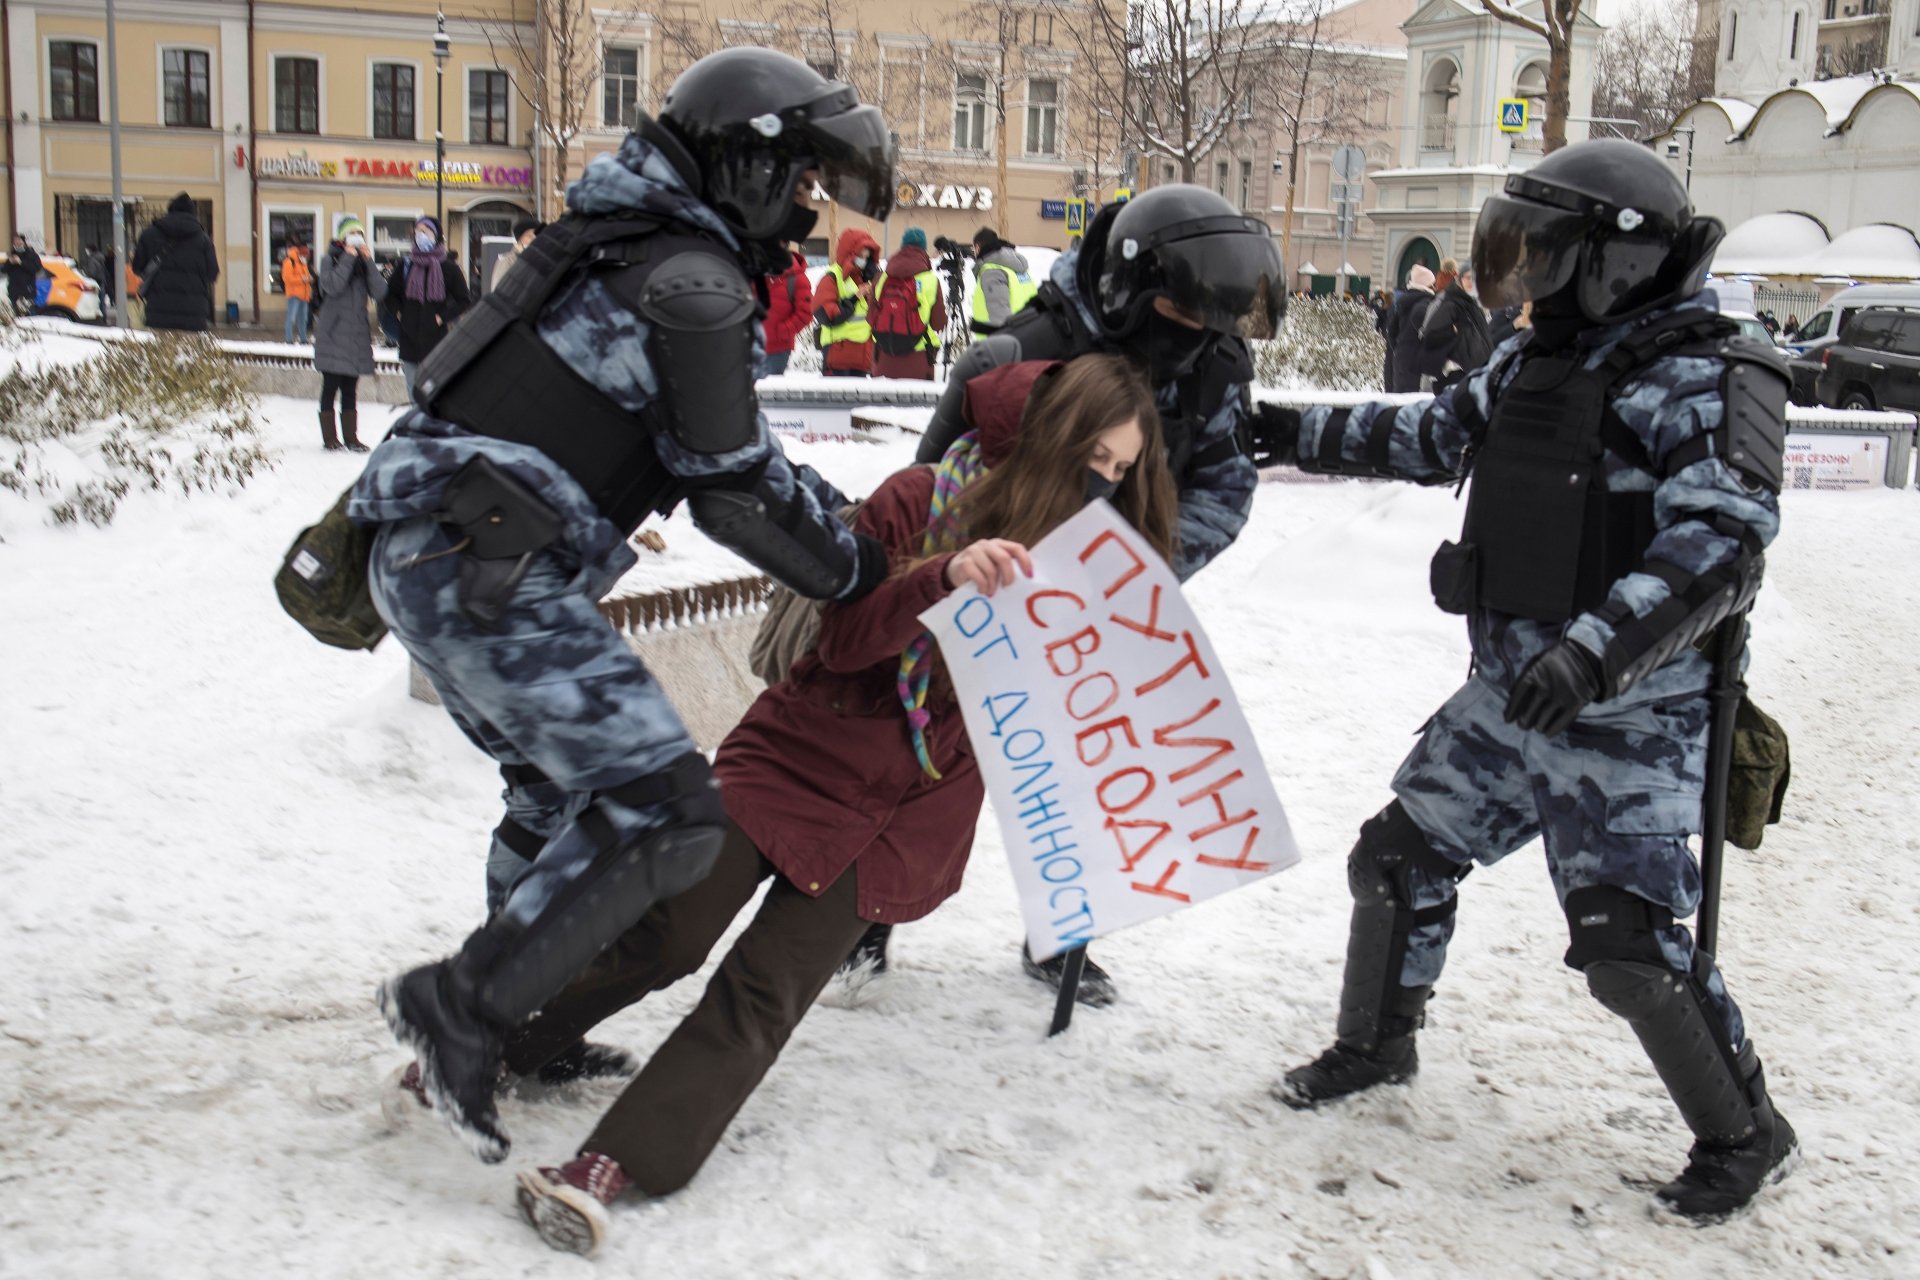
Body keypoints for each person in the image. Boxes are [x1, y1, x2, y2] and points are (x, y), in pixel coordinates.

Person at [509, 353, 1178, 1255]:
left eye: (1120, 470)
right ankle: (497, 1045)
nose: (1101, 483)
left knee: (764, 993)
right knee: (667, 932)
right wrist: (940, 580)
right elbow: (846, 635)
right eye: (1092, 455)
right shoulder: (923, 499)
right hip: (799, 756)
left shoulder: (1089, 571)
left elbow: (1084, 715)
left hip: (907, 816)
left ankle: (612, 1165)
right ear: (1050, 433)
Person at [358, 46, 897, 1165]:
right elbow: (734, 495)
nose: (806, 214)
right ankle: (459, 1005)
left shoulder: (615, 241)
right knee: (668, 809)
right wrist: (860, 574)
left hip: (435, 556)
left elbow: (724, 454)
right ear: (749, 165)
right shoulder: (692, 280)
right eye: (802, 185)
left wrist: (840, 514)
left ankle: (506, 1021)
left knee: (553, 796)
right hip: (490, 576)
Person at [1249, 139, 1796, 1222]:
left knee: (1626, 947)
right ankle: (1376, 1045)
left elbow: (1722, 544)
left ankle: (1746, 1132)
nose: (1531, 276)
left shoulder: (1713, 370)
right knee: (1397, 860)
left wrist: (1593, 649)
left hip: (1626, 715)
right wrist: (1280, 428)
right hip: (1507, 694)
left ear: (1620, 261)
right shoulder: (1537, 357)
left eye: (1550, 255)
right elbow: (1425, 432)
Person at [847, 183, 1284, 1004]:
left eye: (1213, 326)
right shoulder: (1023, 352)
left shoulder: (1215, 366)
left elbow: (1226, 487)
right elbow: (931, 486)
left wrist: (1131, 578)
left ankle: (1064, 934)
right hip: (987, 596)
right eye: (1186, 321)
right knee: (922, 757)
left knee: (1091, 773)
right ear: (1135, 292)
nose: (1198, 344)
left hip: (1111, 607)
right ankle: (862, 923)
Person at [312, 218, 386, 452]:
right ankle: (330, 438)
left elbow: (380, 291)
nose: (356, 237)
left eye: (359, 233)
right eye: (352, 233)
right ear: (343, 238)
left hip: (355, 336)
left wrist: (369, 261)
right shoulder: (329, 259)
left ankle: (351, 437)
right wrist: (348, 257)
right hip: (333, 334)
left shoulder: (363, 265)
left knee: (350, 389)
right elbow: (331, 286)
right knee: (331, 386)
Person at [382, 215, 471, 398]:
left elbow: (464, 300)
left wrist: (441, 317)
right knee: (413, 393)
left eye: (425, 231)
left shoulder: (449, 267)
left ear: (436, 236)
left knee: (434, 395)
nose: (420, 235)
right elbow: (390, 295)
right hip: (409, 339)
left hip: (436, 341)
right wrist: (399, 313)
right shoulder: (406, 265)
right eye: (417, 232)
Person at [132, 193, 220, 333]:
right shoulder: (204, 240)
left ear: (170, 210)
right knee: (188, 355)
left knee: (160, 354)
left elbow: (137, 268)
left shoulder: (149, 234)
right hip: (193, 315)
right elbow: (212, 274)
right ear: (192, 213)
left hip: (159, 312)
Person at [870, 226, 946, 380]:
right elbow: (938, 324)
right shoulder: (931, 280)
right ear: (924, 250)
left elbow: (870, 317)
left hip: (884, 358)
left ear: (902, 247)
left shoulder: (881, 278)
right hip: (919, 359)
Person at [812, 226, 879, 376]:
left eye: (867, 256)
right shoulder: (832, 277)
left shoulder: (868, 278)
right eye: (861, 255)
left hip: (862, 356)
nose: (864, 260)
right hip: (838, 355)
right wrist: (855, 297)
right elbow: (826, 315)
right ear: (850, 254)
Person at [1415, 265, 1492, 389]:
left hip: (1475, 373)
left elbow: (1484, 339)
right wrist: (1451, 332)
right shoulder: (1450, 304)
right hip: (1455, 374)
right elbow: (1429, 336)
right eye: (1468, 278)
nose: (1471, 282)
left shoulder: (1474, 306)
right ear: (1460, 279)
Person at [969, 225, 1037, 334]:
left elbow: (1000, 315)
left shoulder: (992, 271)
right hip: (1028, 335)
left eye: (973, 249)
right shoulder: (1016, 269)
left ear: (977, 247)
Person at [761, 243, 811, 376]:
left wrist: (783, 331)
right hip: (751, 345)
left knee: (769, 391)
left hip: (778, 349)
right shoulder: (755, 272)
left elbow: (805, 313)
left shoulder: (797, 279)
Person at [1385, 265, 1435, 393]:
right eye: (1432, 284)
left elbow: (1391, 332)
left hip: (1400, 362)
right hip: (1417, 366)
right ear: (1427, 285)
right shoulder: (1426, 304)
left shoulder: (1400, 302)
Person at [490, 218, 543, 293]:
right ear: (520, 239)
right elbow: (499, 291)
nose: (534, 239)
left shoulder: (536, 261)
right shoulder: (508, 259)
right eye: (530, 236)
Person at [282, 235, 315, 345]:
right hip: (294, 295)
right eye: (305, 253)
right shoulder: (289, 262)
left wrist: (309, 278)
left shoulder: (303, 262)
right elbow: (287, 278)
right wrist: (303, 279)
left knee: (303, 319)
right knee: (291, 318)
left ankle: (303, 338)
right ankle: (289, 339)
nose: (306, 256)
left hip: (304, 295)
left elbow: (305, 275)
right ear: (300, 251)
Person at [3, 234, 41, 316]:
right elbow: (4, 270)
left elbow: (36, 268)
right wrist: (10, 262)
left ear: (24, 242)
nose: (17, 242)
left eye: (19, 240)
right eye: (15, 241)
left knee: (29, 315)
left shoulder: (31, 254)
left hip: (27, 291)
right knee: (16, 316)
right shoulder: (12, 255)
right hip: (14, 292)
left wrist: (20, 262)